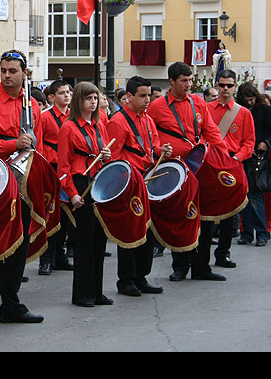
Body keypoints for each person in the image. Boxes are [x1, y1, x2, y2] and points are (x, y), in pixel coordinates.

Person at [0, 49, 45, 331]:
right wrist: (13, 144)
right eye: (3, 70)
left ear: (24, 72)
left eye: (13, 71)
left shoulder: (31, 102)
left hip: (24, 182)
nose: (7, 76)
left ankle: (11, 304)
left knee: (19, 245)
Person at [148, 62, 229, 282]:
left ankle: (202, 267)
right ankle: (180, 266)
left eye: (190, 80)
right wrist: (158, 153)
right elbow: (150, 137)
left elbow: (211, 131)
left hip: (200, 168)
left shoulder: (198, 102)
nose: (188, 84)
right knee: (181, 216)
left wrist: (224, 157)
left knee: (205, 216)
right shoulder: (156, 107)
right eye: (184, 80)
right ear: (171, 81)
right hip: (175, 171)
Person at [106, 76, 172, 297]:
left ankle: (141, 275)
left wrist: (162, 149)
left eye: (149, 96)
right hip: (129, 181)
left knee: (147, 230)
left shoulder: (147, 119)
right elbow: (113, 159)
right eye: (142, 96)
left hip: (147, 178)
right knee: (129, 231)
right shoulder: (117, 121)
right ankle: (126, 280)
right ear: (129, 97)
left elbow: (152, 146)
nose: (147, 100)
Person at [57, 81, 113, 307]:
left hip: (99, 184)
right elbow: (63, 168)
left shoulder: (101, 126)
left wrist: (107, 155)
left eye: (96, 98)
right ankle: (82, 294)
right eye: (89, 98)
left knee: (99, 241)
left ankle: (97, 291)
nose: (93, 102)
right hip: (81, 184)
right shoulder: (68, 128)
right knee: (84, 242)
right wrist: (71, 194)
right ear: (79, 101)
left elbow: (105, 156)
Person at [206, 70, 255, 266]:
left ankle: (223, 253)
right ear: (216, 85)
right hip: (209, 167)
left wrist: (237, 158)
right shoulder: (207, 109)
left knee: (230, 212)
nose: (225, 89)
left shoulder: (243, 113)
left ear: (235, 87)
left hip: (233, 166)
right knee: (206, 212)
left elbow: (249, 142)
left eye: (229, 85)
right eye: (222, 85)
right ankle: (200, 256)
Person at [38, 79, 73, 275]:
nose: (66, 96)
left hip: (67, 168)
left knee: (66, 215)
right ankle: (46, 258)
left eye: (68, 92)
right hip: (51, 168)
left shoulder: (73, 117)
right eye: (62, 93)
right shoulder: (45, 117)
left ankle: (61, 256)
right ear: (52, 97)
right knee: (50, 214)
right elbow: (40, 144)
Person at [236, 82, 271, 247]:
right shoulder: (239, 111)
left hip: (257, 156)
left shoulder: (264, 110)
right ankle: (247, 233)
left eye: (252, 99)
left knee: (255, 196)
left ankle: (261, 233)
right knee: (244, 197)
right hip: (243, 156)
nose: (250, 102)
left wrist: (266, 143)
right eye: (247, 100)